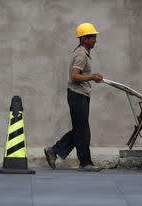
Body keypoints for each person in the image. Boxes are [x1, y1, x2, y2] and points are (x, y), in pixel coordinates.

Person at [44, 23, 103, 172]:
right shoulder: (81, 55)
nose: (96, 40)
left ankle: (55, 151)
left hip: (80, 95)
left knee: (81, 130)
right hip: (77, 95)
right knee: (82, 131)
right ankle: (85, 163)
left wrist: (93, 77)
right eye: (93, 37)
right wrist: (92, 77)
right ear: (85, 39)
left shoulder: (83, 53)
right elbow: (74, 76)